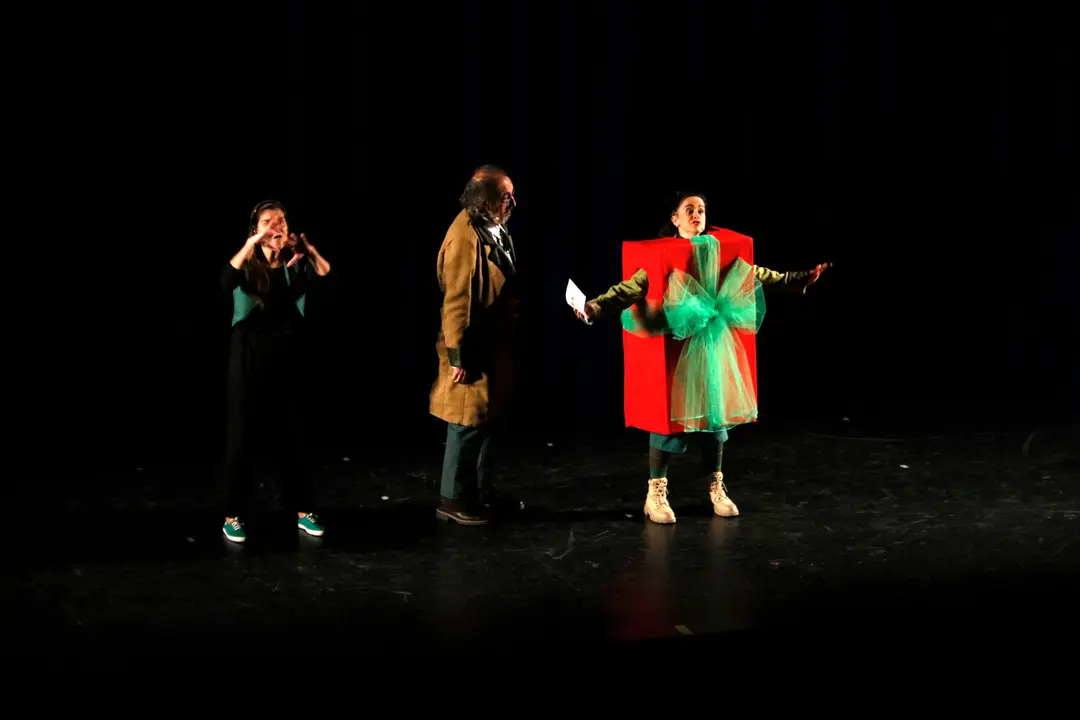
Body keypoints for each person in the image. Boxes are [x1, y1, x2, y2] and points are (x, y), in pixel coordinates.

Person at [575, 191, 830, 524]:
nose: (697, 215)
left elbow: (755, 273)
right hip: (676, 344)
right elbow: (630, 287)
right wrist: (594, 306)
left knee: (715, 419)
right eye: (689, 210)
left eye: (701, 210)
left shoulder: (718, 247)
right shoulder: (663, 253)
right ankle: (655, 492)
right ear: (675, 218)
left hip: (712, 345)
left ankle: (716, 486)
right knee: (668, 419)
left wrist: (797, 280)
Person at [220, 199, 333, 543]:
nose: (276, 226)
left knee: (293, 436)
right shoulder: (247, 264)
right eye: (268, 221)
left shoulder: (292, 264)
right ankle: (232, 514)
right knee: (243, 436)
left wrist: (310, 251)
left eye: (281, 221)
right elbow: (225, 280)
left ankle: (302, 510)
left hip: (284, 358)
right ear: (256, 229)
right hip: (249, 358)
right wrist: (253, 242)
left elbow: (327, 275)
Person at [429, 166, 521, 525]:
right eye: (504, 196)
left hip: (493, 343)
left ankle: (481, 491)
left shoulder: (491, 227)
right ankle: (452, 499)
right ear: (484, 199)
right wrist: (457, 356)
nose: (512, 202)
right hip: (471, 345)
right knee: (465, 422)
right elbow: (456, 301)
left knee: (487, 420)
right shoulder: (465, 238)